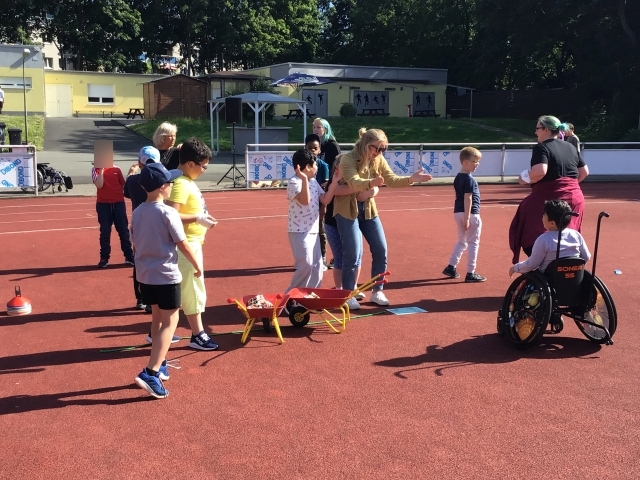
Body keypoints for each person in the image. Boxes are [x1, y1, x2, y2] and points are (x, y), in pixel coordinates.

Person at [335, 128, 433, 308]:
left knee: (381, 249)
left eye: (384, 149)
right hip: (347, 210)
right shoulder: (347, 158)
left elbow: (391, 179)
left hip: (369, 210)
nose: (380, 152)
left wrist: (411, 179)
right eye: (378, 148)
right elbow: (354, 182)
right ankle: (348, 293)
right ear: (366, 145)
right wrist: (372, 185)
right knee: (353, 252)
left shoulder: (378, 159)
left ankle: (377, 291)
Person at [131, 162, 203, 399]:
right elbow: (182, 243)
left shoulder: (138, 211)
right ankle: (151, 372)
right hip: (166, 275)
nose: (172, 185)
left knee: (157, 318)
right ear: (163, 187)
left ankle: (159, 361)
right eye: (170, 182)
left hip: (145, 275)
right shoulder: (168, 213)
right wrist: (197, 265)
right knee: (171, 321)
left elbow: (135, 242)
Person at [509, 115, 589, 264]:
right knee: (567, 233)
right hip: (575, 197)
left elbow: (540, 171)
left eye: (537, 128)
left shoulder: (541, 147)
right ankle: (566, 264)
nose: (535, 132)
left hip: (550, 197)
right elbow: (584, 172)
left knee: (528, 222)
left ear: (546, 130)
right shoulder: (570, 147)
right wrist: (568, 186)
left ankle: (544, 263)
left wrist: (524, 177)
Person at [165, 137, 219, 351]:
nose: (204, 170)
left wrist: (200, 218)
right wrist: (197, 218)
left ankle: (157, 331)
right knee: (193, 289)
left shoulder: (185, 181)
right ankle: (197, 335)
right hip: (186, 244)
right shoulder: (180, 183)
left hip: (190, 242)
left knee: (180, 288)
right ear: (190, 164)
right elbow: (170, 216)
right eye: (203, 166)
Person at [285, 149, 340, 294]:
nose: (317, 167)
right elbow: (305, 200)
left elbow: (325, 199)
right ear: (307, 167)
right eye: (315, 164)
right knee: (306, 265)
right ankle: (290, 296)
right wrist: (304, 179)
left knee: (317, 266)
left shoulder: (313, 182)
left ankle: (309, 294)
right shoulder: (294, 182)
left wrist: (334, 182)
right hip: (299, 231)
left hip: (313, 230)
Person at [324, 154, 378, 297]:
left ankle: (353, 286)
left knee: (357, 256)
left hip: (353, 222)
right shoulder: (334, 183)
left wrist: (371, 191)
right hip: (333, 225)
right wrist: (366, 186)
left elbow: (374, 187)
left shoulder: (356, 179)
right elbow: (342, 190)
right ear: (337, 168)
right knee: (340, 257)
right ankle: (340, 289)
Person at [509, 199, 591, 277]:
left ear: (552, 223)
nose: (542, 216)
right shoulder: (576, 235)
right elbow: (586, 257)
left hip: (550, 278)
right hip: (574, 277)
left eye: (545, 214)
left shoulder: (544, 239)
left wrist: (516, 268)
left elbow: (532, 264)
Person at [124, 146, 160, 312]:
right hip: (157, 224)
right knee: (158, 260)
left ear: (140, 163)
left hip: (138, 225)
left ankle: (141, 298)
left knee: (139, 261)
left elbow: (126, 193)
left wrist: (131, 174)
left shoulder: (133, 181)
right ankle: (154, 299)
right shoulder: (160, 179)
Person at [442, 147, 486, 283]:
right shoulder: (469, 179)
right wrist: (467, 217)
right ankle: (470, 272)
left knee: (462, 241)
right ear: (465, 162)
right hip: (470, 214)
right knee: (473, 242)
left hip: (458, 212)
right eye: (474, 161)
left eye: (478, 162)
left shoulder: (458, 177)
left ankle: (451, 266)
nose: (477, 164)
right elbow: (468, 198)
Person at [92, 163, 134, 268]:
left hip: (118, 203)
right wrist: (101, 169)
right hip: (103, 205)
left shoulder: (117, 169)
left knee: (123, 231)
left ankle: (129, 256)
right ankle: (104, 258)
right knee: (105, 231)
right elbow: (99, 185)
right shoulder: (95, 170)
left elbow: (123, 185)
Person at [313, 118, 341, 268]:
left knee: (330, 223)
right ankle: (318, 256)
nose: (316, 129)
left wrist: (330, 182)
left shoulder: (332, 146)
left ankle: (337, 256)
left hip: (330, 189)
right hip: (316, 189)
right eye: (314, 127)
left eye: (319, 127)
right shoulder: (315, 145)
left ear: (325, 129)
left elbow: (337, 166)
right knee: (320, 224)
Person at [305, 133, 330, 270]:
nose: (313, 151)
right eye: (310, 148)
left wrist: (323, 207)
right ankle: (306, 259)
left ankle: (322, 258)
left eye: (315, 148)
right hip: (305, 204)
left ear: (319, 150)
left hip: (319, 203)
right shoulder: (301, 166)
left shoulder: (323, 166)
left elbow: (325, 188)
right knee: (305, 232)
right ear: (305, 148)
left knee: (320, 231)